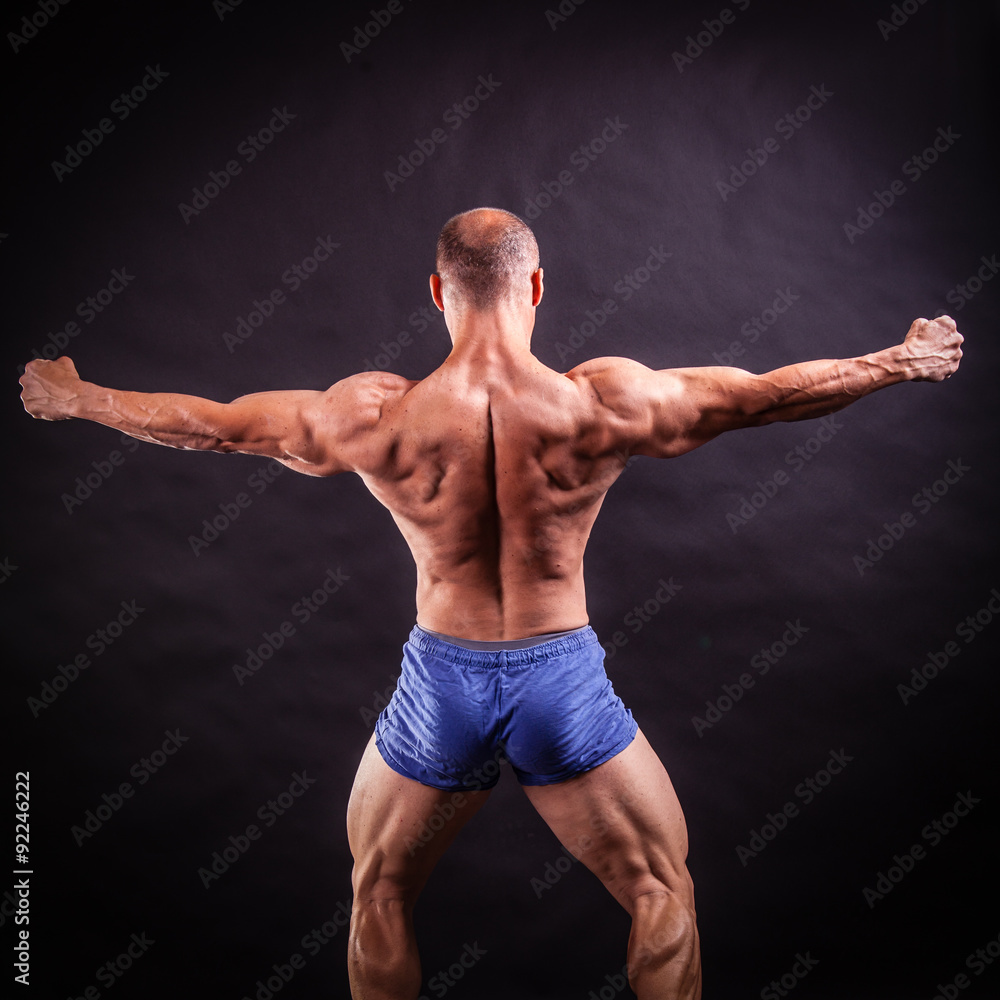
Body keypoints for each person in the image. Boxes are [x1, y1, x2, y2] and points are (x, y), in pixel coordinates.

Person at [19, 207, 963, 1000]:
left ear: (437, 292)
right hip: (563, 680)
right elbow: (761, 397)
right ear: (537, 286)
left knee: (380, 893)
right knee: (659, 892)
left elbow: (217, 429)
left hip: (443, 683)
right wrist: (897, 360)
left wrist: (81, 397)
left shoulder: (375, 415)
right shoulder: (601, 402)